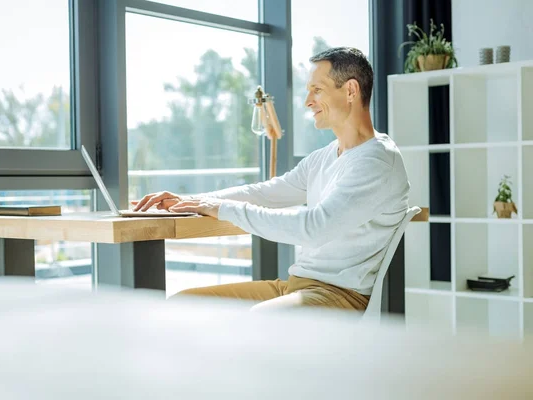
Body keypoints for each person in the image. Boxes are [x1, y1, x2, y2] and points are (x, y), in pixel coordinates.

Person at [131, 47, 410, 313]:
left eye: (317, 90)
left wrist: (224, 209)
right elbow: (268, 192)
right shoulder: (325, 156)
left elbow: (313, 227)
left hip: (338, 295)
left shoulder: (376, 161)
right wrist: (198, 201)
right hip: (296, 286)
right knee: (184, 303)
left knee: (261, 321)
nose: (307, 101)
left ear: (350, 90)